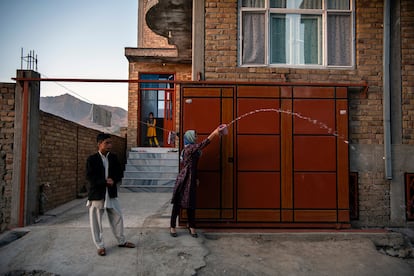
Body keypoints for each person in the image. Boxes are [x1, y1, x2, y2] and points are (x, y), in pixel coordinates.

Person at [170, 124, 227, 238]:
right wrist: (215, 132)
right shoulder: (189, 149)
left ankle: (191, 226)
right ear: (190, 137)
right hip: (184, 179)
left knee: (191, 203)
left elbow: (194, 165)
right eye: (195, 136)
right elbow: (204, 144)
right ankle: (172, 226)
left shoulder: (192, 149)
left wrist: (195, 178)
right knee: (177, 203)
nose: (196, 137)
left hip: (191, 178)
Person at [86, 133, 135, 256]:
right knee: (96, 221)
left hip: (111, 193)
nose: (110, 145)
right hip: (97, 194)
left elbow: (119, 172)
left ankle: (121, 241)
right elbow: (90, 177)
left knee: (117, 216)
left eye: (110, 143)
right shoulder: (92, 159)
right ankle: (100, 246)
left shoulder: (113, 157)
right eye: (107, 143)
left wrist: (113, 179)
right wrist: (103, 181)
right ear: (99, 144)